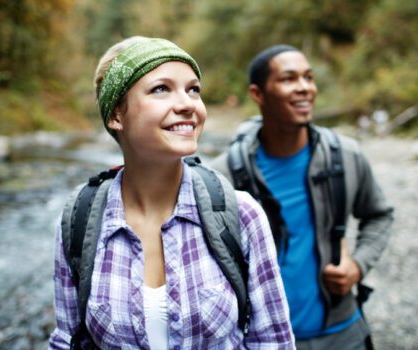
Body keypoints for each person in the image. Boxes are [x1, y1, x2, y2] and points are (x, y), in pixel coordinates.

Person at [49, 36, 295, 349]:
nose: (188, 104)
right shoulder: (78, 222)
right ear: (115, 116)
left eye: (193, 89)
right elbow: (66, 340)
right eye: (161, 89)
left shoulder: (240, 213)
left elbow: (273, 341)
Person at [211, 44, 394, 350]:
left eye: (309, 78)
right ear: (258, 94)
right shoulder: (223, 175)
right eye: (288, 79)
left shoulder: (346, 156)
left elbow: (379, 214)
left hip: (343, 333)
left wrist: (358, 266)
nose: (304, 88)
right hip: (262, 339)